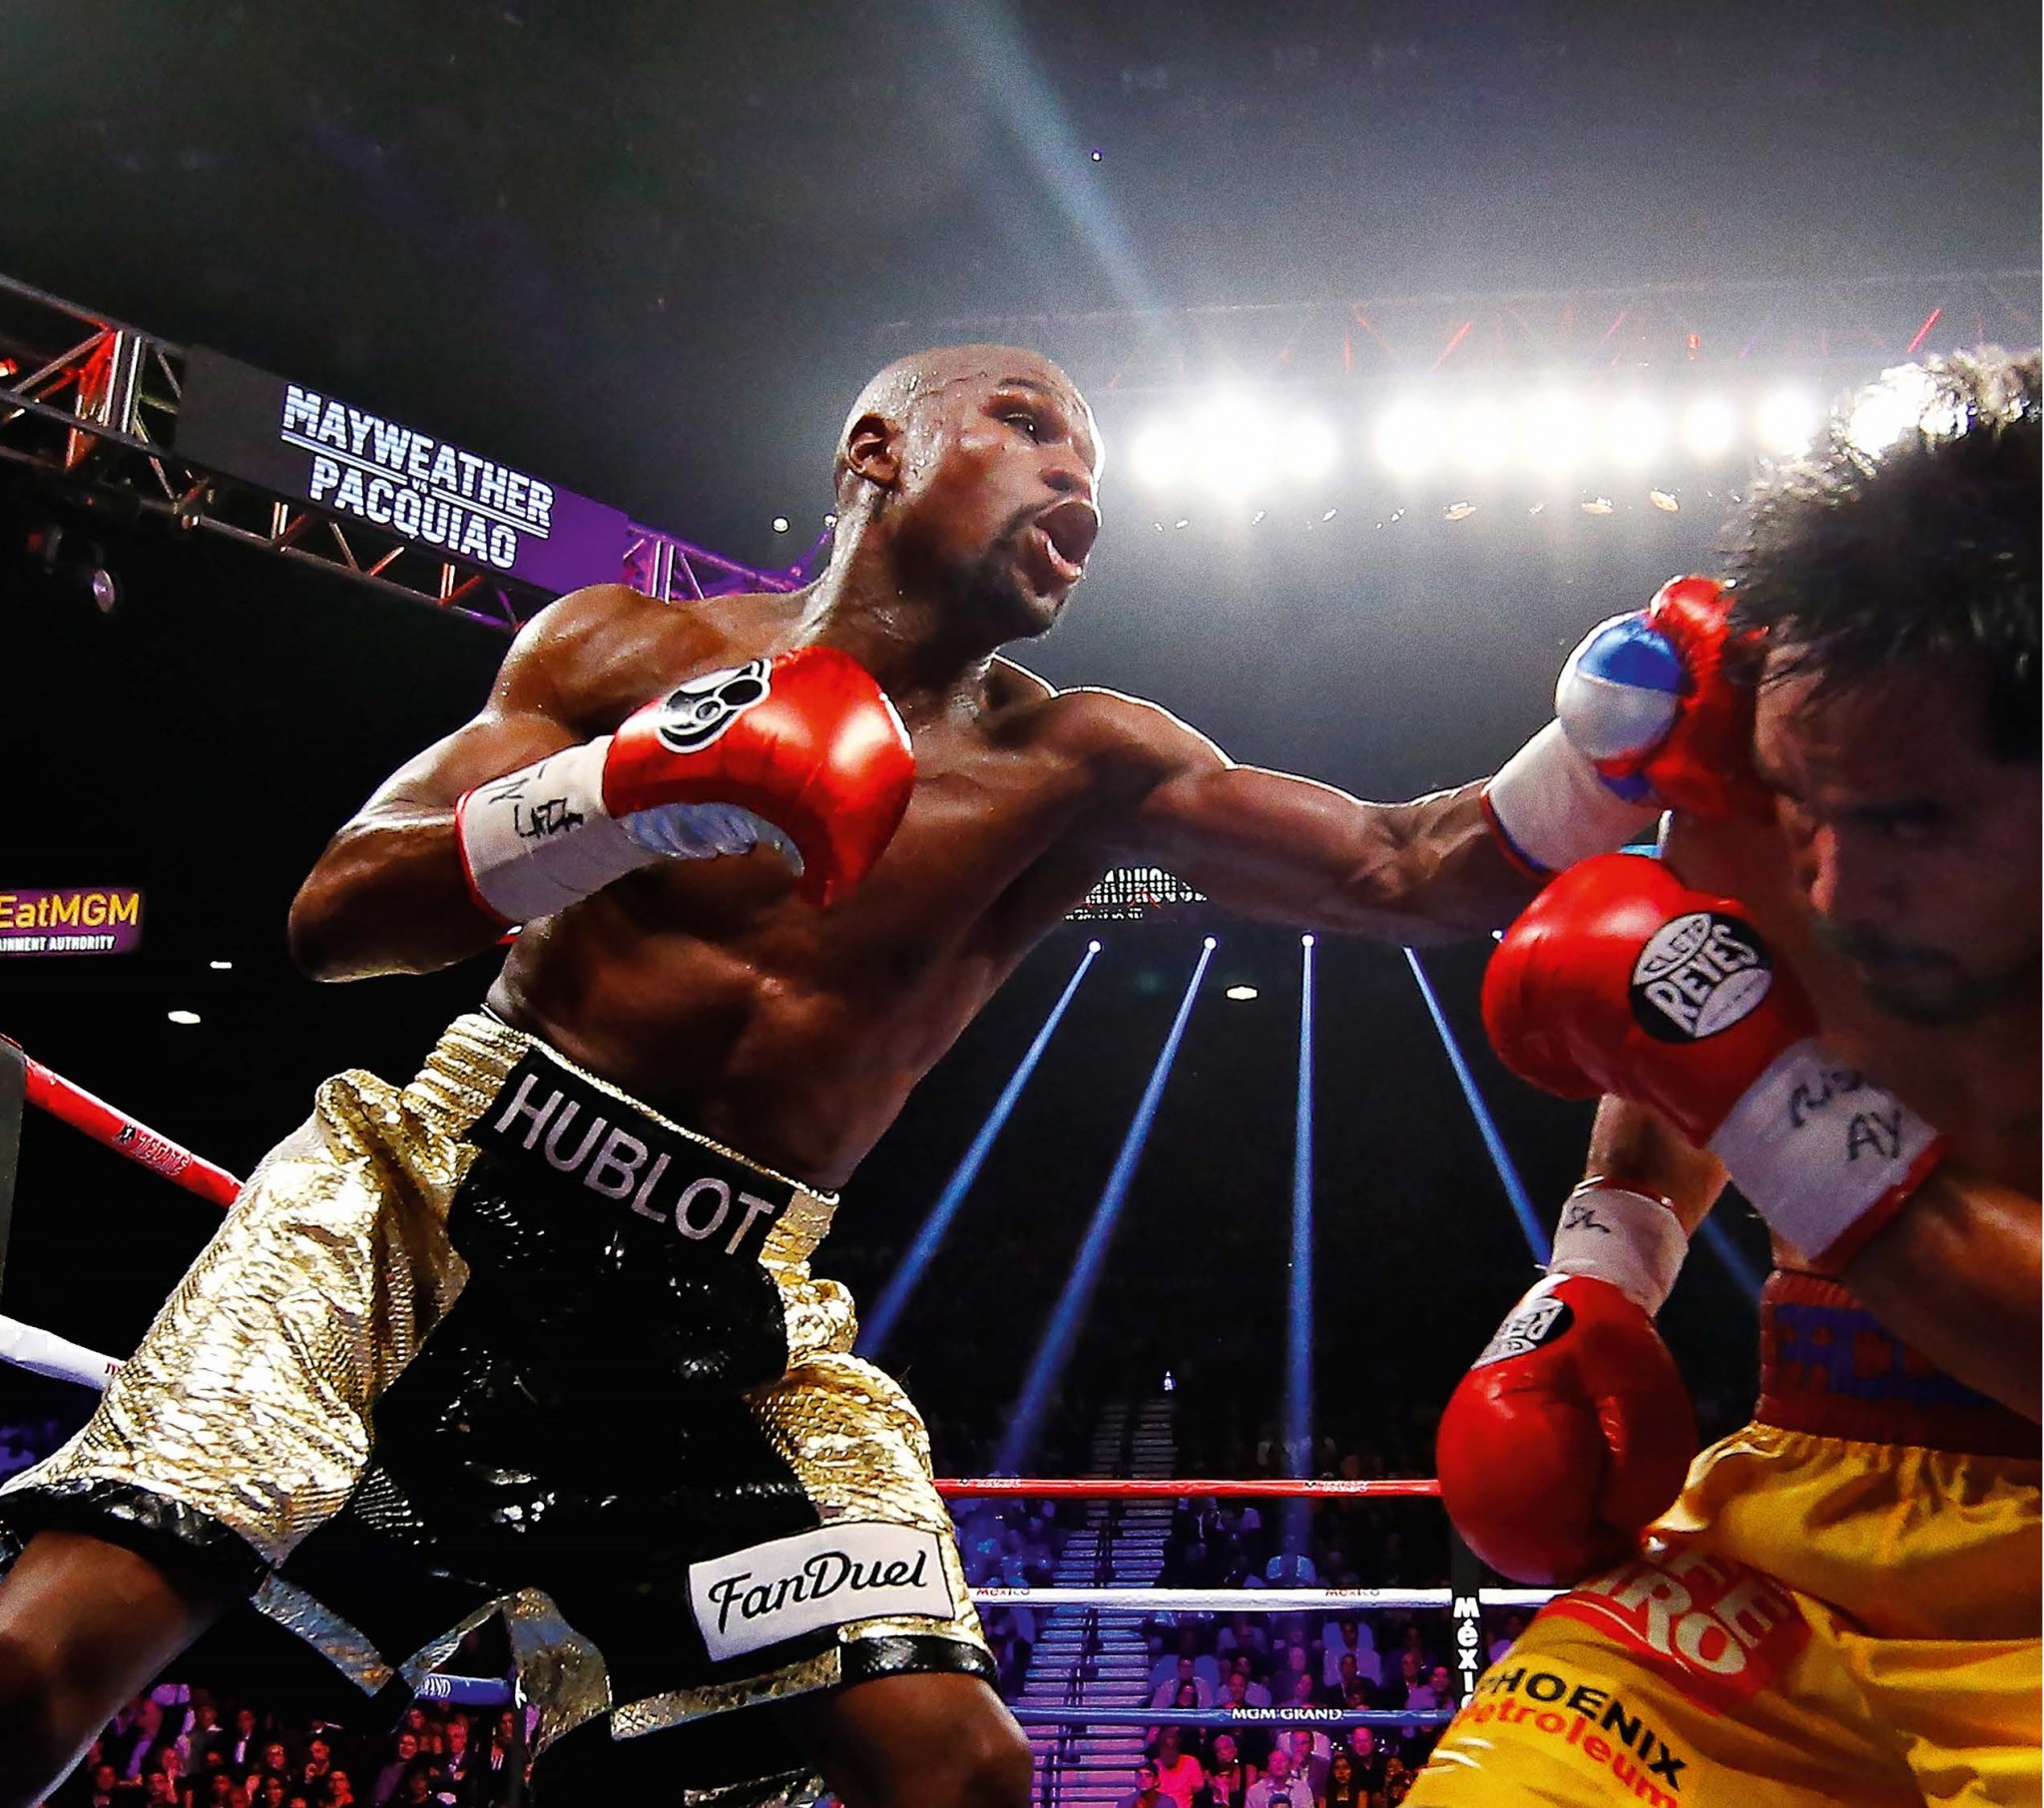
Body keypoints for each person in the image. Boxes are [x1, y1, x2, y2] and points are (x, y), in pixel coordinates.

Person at [0, 340, 1709, 1806]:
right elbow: (335, 918)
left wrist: (1610, 745)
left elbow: (1407, 867)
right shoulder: (620, 654)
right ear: (878, 454)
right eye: (1029, 425)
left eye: (1094, 464)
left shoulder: (1079, 761)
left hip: (720, 1324)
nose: (1078, 479)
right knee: (40, 1661)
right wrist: (623, 791)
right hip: (428, 1212)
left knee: (955, 1768)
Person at [1416, 351, 2040, 1804]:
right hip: (1799, 1507)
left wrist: (1772, 1099)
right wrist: (1605, 1266)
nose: (1834, 884)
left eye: (1910, 824)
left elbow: (1739, 1061)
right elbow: (1702, 1000)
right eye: (1804, 803)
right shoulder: (1764, 730)